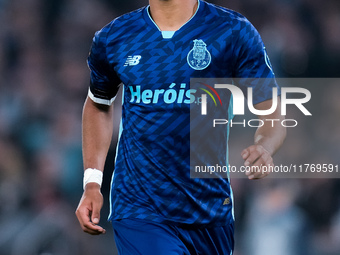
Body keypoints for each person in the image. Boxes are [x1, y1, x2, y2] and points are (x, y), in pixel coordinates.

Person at [76, 0, 286, 254]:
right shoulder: (115, 36)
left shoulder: (231, 31)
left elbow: (272, 113)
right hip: (139, 206)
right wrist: (92, 183)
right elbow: (98, 103)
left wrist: (265, 146)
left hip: (209, 208)